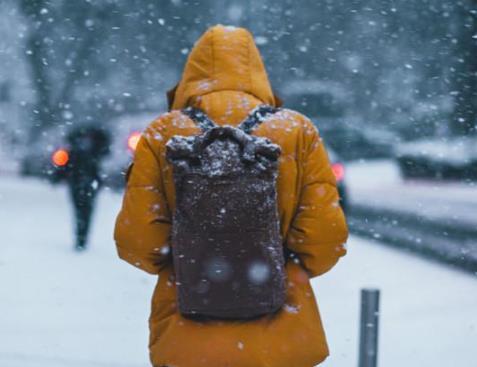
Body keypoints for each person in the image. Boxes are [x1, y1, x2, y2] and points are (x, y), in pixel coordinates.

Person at [114, 25, 348, 367]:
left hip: (186, 337)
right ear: (257, 71)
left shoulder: (163, 133)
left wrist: (193, 262)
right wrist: (275, 268)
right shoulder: (296, 131)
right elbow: (325, 241)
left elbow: (137, 243)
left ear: (191, 74)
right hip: (281, 339)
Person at [62, 125, 110, 251]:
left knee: (81, 210)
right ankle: (82, 237)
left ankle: (81, 237)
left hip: (81, 182)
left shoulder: (79, 148)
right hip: (86, 182)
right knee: (84, 211)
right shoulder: (94, 149)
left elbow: (66, 166)